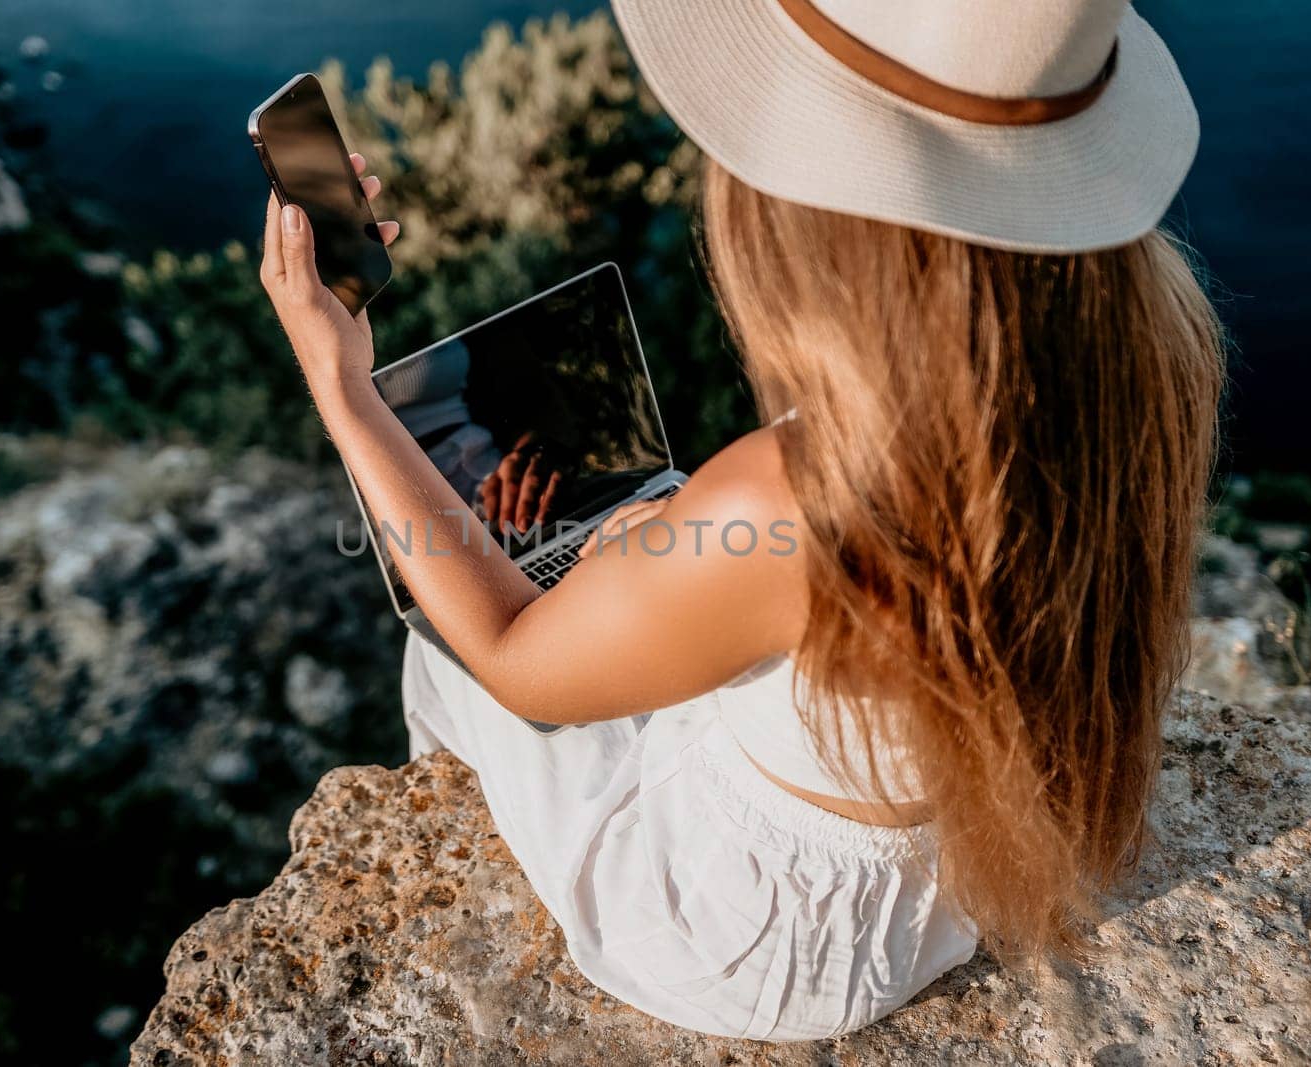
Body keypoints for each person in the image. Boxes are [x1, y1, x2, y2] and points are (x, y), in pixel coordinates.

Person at [257, 0, 1224, 1040]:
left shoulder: (799, 494)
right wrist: (679, 551)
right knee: (640, 510)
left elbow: (514, 659)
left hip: (751, 936)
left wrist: (343, 384)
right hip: (941, 864)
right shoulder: (1152, 345)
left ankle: (439, 786)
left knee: (443, 636)